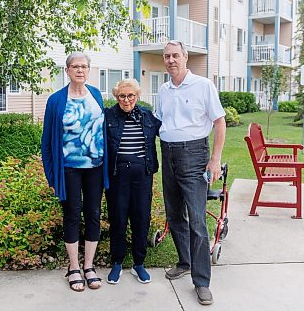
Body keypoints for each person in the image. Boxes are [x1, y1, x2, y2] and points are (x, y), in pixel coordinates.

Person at [155, 40, 226, 305]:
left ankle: (202, 282)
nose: (171, 60)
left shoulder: (203, 86)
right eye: (166, 56)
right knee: (174, 214)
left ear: (185, 57)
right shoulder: (163, 90)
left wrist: (215, 159)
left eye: (175, 55)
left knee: (197, 219)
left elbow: (219, 122)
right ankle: (184, 261)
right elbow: (158, 121)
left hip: (195, 155)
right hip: (169, 154)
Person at [41, 52, 109, 292]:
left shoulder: (96, 95)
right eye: (75, 66)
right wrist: (51, 176)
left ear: (88, 70)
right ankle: (73, 268)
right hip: (68, 169)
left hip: (96, 168)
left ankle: (89, 266)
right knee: (72, 215)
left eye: (84, 66)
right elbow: (47, 143)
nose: (80, 70)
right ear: (67, 70)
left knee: (93, 214)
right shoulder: (56, 100)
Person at [104, 79, 161, 285]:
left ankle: (139, 264)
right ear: (116, 97)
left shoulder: (147, 116)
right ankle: (117, 262)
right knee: (118, 218)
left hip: (142, 175)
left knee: (141, 218)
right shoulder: (108, 116)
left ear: (137, 96)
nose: (126, 100)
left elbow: (167, 132)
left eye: (130, 96)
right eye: (122, 96)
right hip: (118, 175)